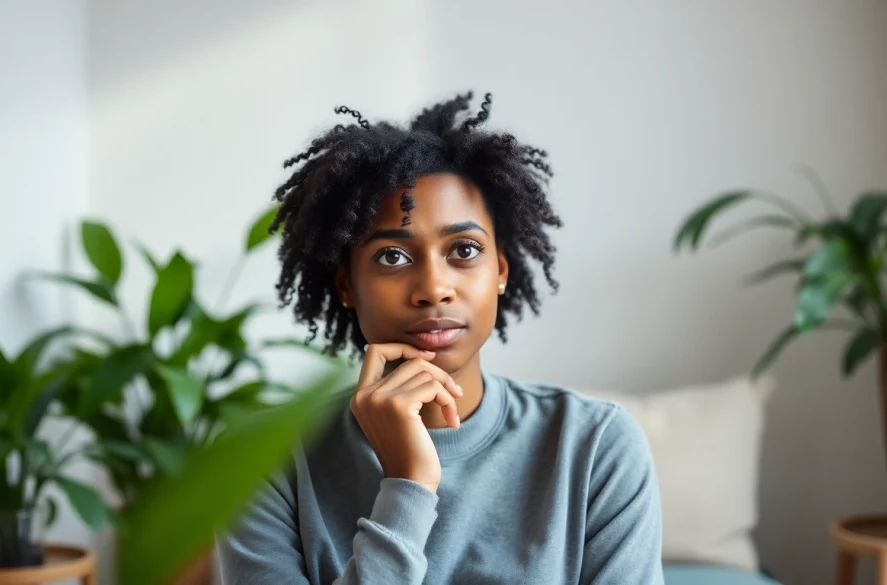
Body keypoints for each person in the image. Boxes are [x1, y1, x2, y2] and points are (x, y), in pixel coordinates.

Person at [217, 92, 664, 584]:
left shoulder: (594, 446)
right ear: (346, 285)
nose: (433, 288)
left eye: (464, 250)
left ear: (499, 270)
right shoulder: (262, 460)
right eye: (391, 256)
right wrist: (408, 486)